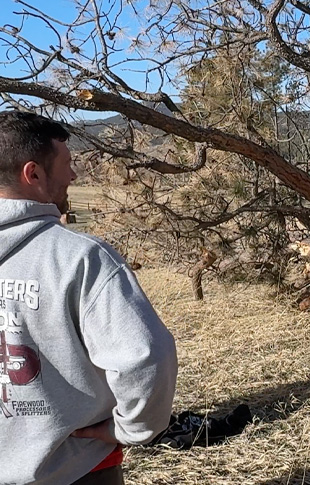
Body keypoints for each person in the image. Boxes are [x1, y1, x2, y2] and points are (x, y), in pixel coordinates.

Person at [0, 111, 178, 484]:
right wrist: (133, 429)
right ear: (33, 174)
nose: (74, 177)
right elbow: (147, 356)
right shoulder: (81, 257)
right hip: (77, 468)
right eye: (67, 164)